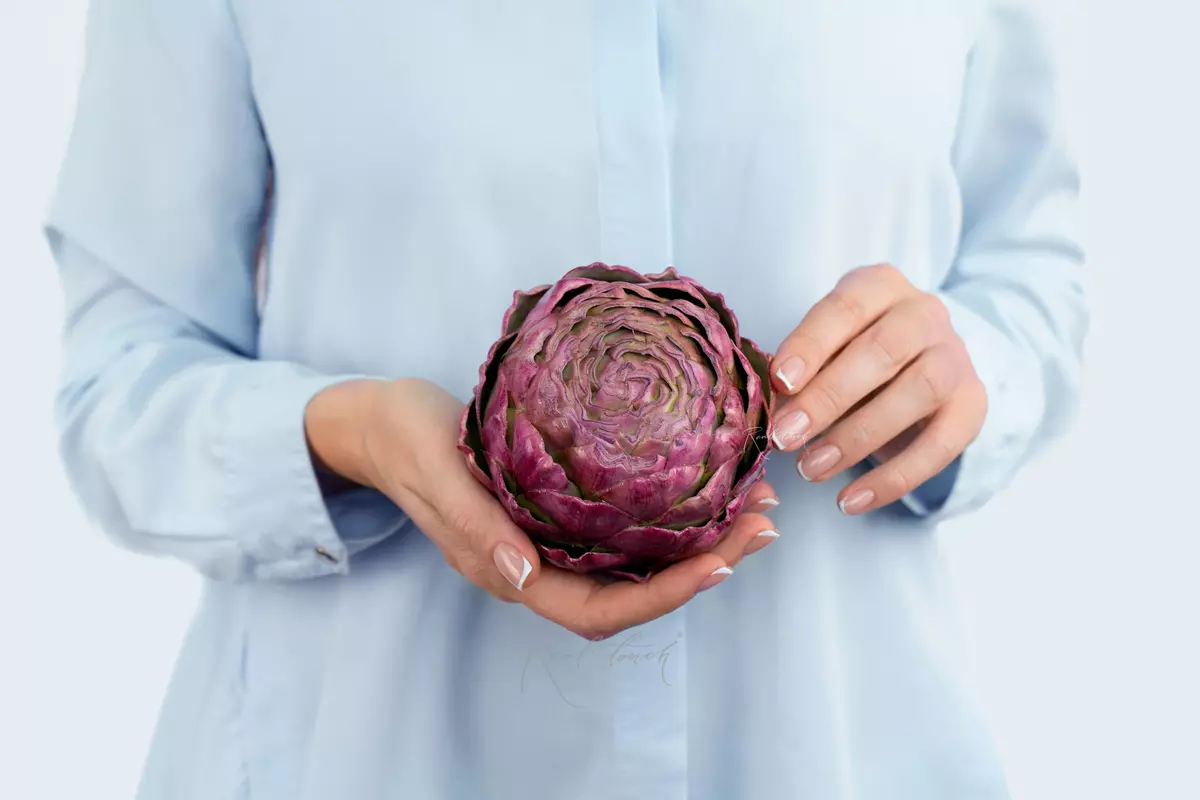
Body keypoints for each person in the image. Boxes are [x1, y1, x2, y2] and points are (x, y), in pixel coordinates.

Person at [46, 1, 1086, 798]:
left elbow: (1032, 271)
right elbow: (118, 384)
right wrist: (348, 435)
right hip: (359, 748)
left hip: (841, 740)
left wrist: (967, 367)